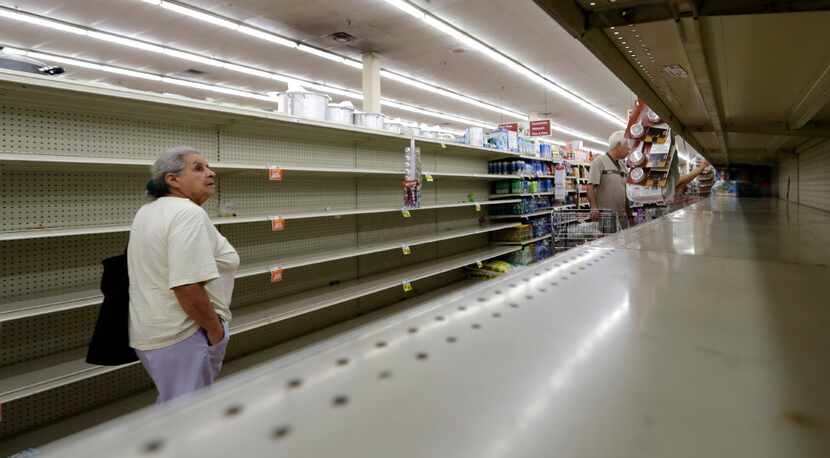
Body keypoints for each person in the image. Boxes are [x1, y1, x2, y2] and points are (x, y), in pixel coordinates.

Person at [128, 146, 239, 403]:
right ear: (173, 179)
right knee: (188, 418)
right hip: (185, 334)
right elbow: (187, 286)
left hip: (151, 333)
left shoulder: (148, 211)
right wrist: (215, 332)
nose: (211, 173)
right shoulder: (188, 213)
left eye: (209, 167)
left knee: (174, 406)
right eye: (198, 168)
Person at [587, 130, 631, 230]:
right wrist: (594, 207)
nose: (629, 149)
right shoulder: (599, 162)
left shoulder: (622, 166)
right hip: (606, 216)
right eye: (627, 146)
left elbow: (625, 192)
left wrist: (630, 215)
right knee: (609, 244)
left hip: (622, 216)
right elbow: (590, 186)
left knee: (624, 243)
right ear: (618, 145)